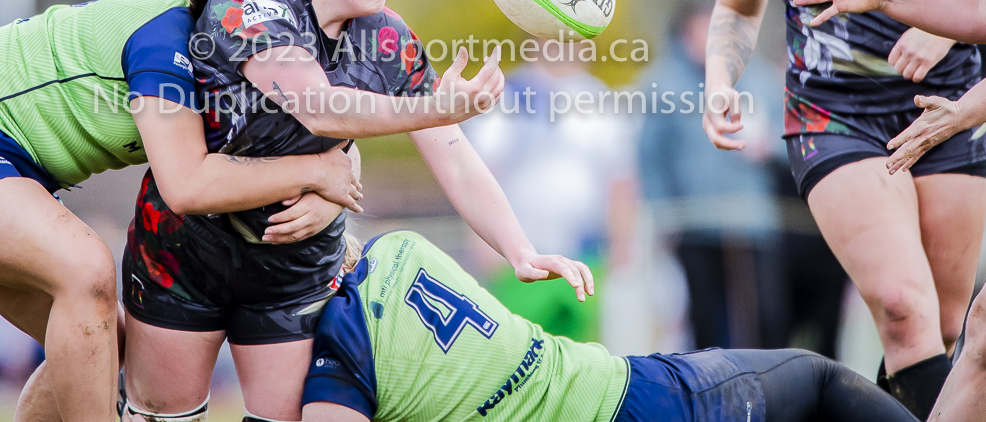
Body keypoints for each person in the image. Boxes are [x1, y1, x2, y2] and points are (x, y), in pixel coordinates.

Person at [120, 0, 594, 422]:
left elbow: (455, 157)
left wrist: (520, 250)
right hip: (184, 250)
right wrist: (432, 107)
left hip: (292, 266)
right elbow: (318, 106)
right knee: (160, 418)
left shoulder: (388, 37)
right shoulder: (252, 0)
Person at [0, 0, 383, 421]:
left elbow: (320, 138)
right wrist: (318, 172)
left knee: (103, 340)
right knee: (86, 271)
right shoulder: (171, 40)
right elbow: (188, 186)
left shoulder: (248, 58)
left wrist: (333, 190)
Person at [702, 0, 986, 419]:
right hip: (830, 119)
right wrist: (718, 82)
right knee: (899, 308)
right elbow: (734, 16)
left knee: (947, 327)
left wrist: (939, 19)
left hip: (944, 107)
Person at [265, 229, 915, 422]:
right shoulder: (401, 247)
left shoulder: (339, 364)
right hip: (649, 398)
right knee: (819, 380)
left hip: (643, 398)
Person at [786, 0, 986, 422]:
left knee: (964, 328)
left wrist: (958, 106)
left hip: (948, 119)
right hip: (842, 119)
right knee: (965, 330)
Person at [463, 36, 638, 344]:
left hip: (586, 254)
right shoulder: (509, 95)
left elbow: (620, 180)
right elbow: (483, 170)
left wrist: (622, 242)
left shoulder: (599, 98)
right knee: (519, 350)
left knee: (584, 355)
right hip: (521, 253)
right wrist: (483, 242)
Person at [642, 0, 786, 351]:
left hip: (753, 224)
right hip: (694, 226)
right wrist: (664, 217)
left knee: (764, 320)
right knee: (704, 325)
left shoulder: (762, 79)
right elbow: (651, 159)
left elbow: (793, 142)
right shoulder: (663, 85)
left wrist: (768, 147)